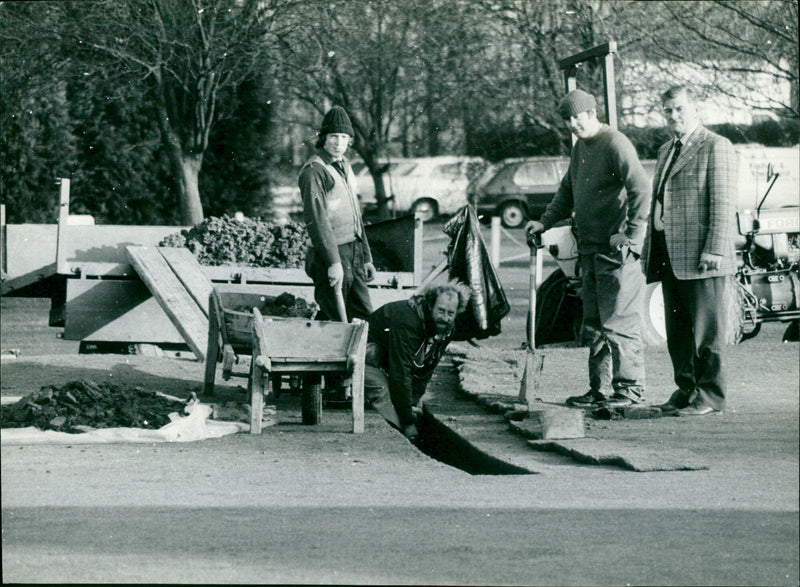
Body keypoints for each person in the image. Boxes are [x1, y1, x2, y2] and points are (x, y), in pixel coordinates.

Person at [525, 89, 651, 409]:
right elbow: (567, 190)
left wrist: (631, 236)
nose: (572, 124)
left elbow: (641, 189)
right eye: (567, 119)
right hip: (590, 251)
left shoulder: (615, 143)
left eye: (576, 117)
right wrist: (545, 222)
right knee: (593, 326)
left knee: (620, 323)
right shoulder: (581, 146)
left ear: (592, 113)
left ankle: (630, 391)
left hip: (616, 254)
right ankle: (600, 390)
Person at [643, 85, 737, 416]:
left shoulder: (716, 146)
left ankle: (710, 396)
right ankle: (687, 388)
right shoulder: (667, 149)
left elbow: (723, 204)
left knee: (707, 330)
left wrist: (714, 250)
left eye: (680, 109)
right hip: (670, 254)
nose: (673, 116)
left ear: (697, 109)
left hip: (702, 257)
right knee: (678, 330)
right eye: (668, 111)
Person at [364, 280, 471, 442]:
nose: (445, 318)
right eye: (440, 311)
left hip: (390, 354)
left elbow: (428, 367)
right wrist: (407, 420)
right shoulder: (408, 322)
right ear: (430, 305)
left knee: (415, 404)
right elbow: (401, 370)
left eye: (451, 313)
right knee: (382, 391)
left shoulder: (446, 327)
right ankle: (401, 435)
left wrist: (414, 401)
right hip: (368, 355)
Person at [298, 105, 375, 323]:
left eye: (343, 137)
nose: (338, 142)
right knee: (333, 320)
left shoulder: (345, 166)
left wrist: (366, 257)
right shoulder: (314, 171)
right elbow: (317, 221)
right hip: (329, 255)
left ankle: (360, 358)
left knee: (364, 316)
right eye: (333, 136)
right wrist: (333, 262)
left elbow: (355, 217)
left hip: (353, 252)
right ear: (323, 138)